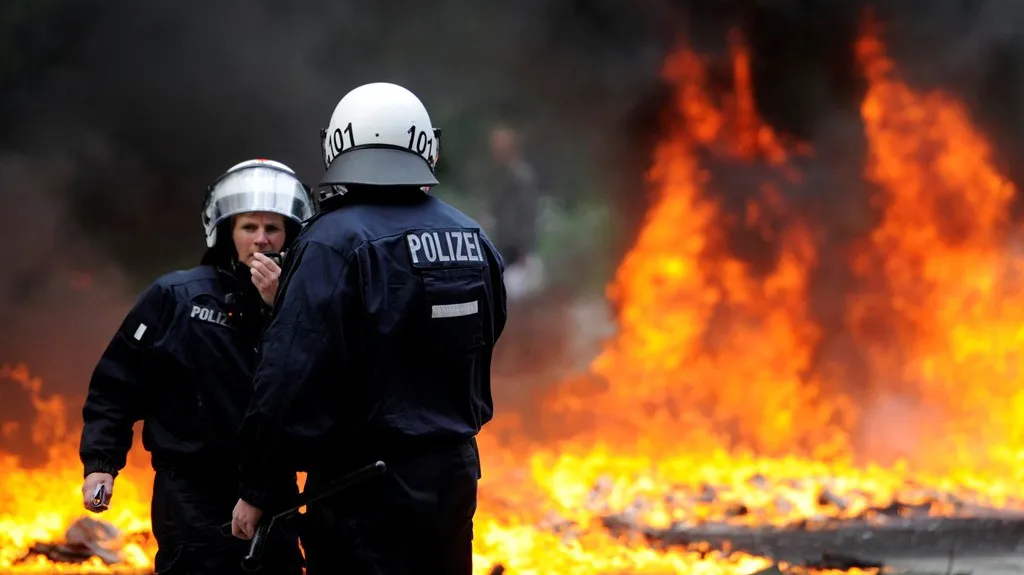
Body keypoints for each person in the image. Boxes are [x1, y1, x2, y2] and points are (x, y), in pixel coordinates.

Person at [230, 82, 508, 575]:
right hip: (453, 478)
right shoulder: (472, 237)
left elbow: (286, 375)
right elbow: (488, 335)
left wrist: (258, 487)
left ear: (338, 143)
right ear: (426, 144)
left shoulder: (332, 241)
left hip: (360, 490)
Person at [78, 158, 314, 575]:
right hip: (190, 496)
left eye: (272, 228)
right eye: (248, 227)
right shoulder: (175, 297)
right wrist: (101, 463)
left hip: (274, 492)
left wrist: (284, 308)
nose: (261, 240)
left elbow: (316, 386)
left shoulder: (306, 306)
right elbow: (117, 384)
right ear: (226, 232)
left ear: (291, 234)